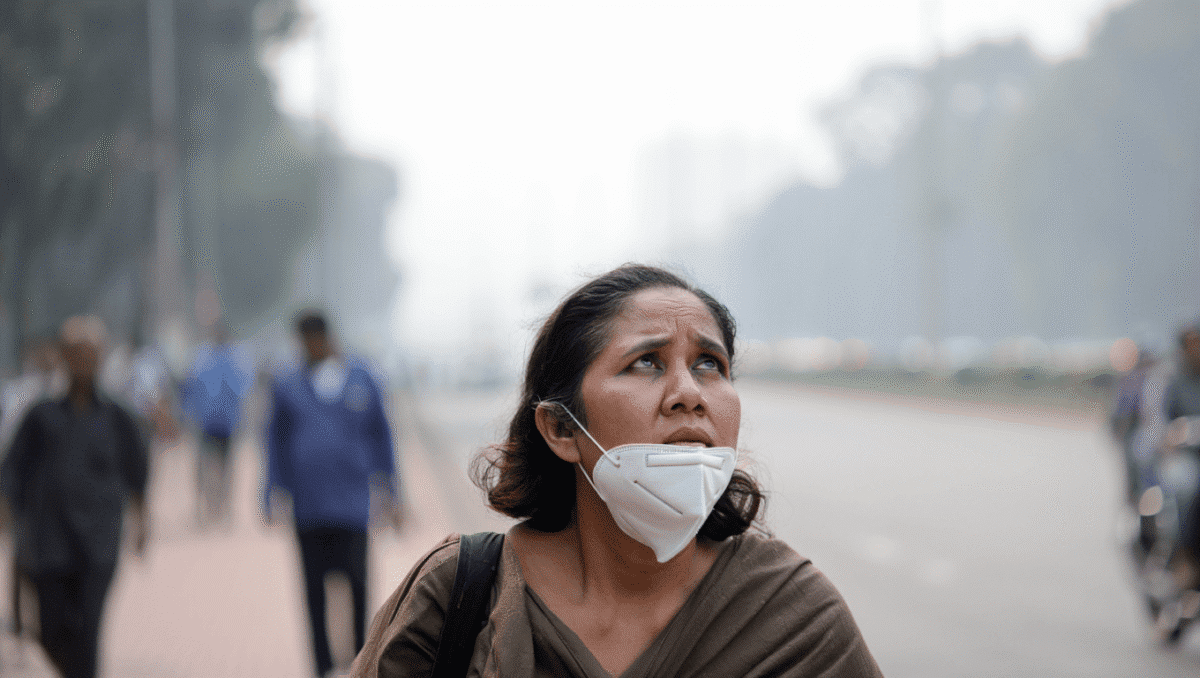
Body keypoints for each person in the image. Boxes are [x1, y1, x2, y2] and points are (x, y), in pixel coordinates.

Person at [351, 264, 882, 677]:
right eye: (646, 362)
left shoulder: (792, 615)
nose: (689, 394)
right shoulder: (458, 599)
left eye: (709, 364)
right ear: (561, 429)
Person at [0, 316, 149, 678]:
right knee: (50, 631)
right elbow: (12, 469)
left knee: (89, 630)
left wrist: (142, 520)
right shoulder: (41, 416)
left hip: (99, 543)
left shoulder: (118, 417)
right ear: (63, 357)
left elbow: (138, 472)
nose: (84, 362)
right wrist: (8, 515)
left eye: (90, 354)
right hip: (49, 542)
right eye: (76, 354)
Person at [266, 311, 403, 678]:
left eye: (312, 340)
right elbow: (275, 441)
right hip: (308, 506)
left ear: (326, 339)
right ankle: (322, 667)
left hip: (352, 506)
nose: (307, 348)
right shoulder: (288, 384)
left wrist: (392, 490)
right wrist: (272, 491)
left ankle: (359, 662)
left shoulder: (362, 378)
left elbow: (382, 435)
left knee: (358, 586)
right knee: (313, 591)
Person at [181, 324, 251, 527]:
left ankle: (222, 508)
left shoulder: (233, 359)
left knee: (224, 468)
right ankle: (205, 508)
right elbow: (190, 388)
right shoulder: (203, 358)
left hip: (226, 422)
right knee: (205, 467)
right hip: (207, 422)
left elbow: (244, 390)